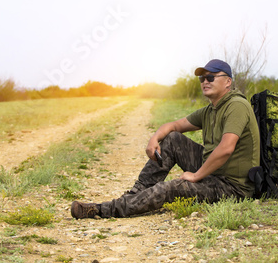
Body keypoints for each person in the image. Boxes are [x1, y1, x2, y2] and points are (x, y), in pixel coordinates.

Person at [71, 59, 260, 219]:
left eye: (211, 77)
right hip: (215, 173)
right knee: (173, 139)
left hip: (232, 187)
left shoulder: (236, 105)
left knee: (173, 188)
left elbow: (226, 148)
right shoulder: (211, 109)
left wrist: (195, 176)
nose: (205, 81)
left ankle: (102, 209)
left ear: (228, 82)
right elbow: (174, 126)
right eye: (202, 78)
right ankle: (136, 195)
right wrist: (154, 139)